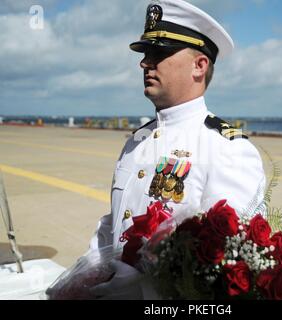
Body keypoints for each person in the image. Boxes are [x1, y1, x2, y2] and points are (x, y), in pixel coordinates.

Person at [89, 0, 266, 299]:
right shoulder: (137, 142)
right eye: (146, 53)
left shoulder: (227, 148)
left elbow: (226, 267)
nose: (145, 63)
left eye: (159, 52)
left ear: (200, 66)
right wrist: (82, 277)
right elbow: (111, 228)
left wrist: (142, 291)